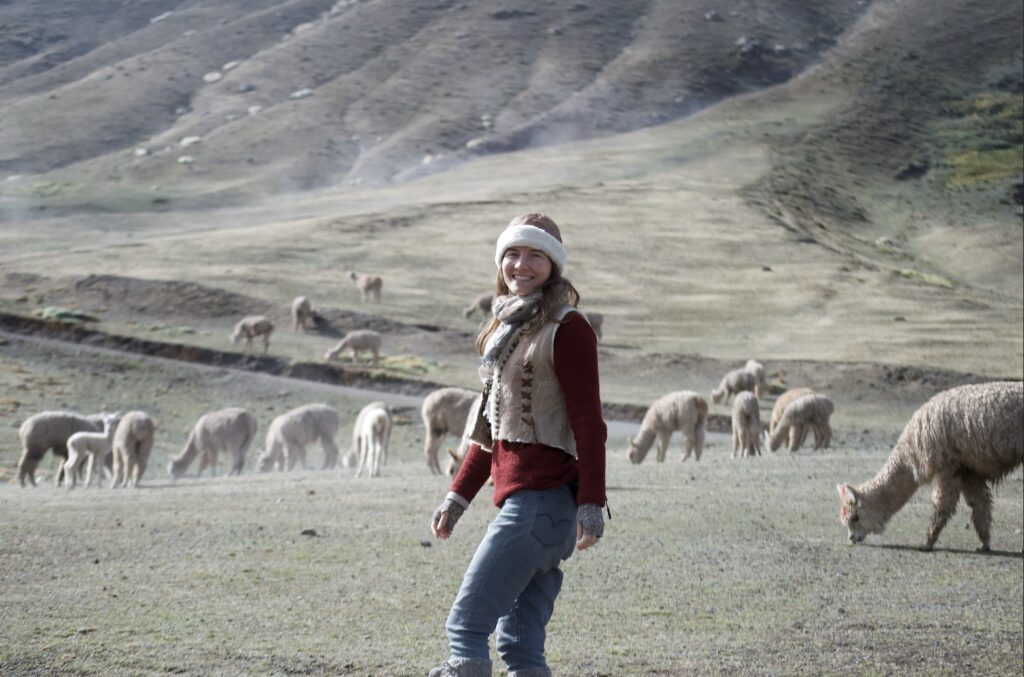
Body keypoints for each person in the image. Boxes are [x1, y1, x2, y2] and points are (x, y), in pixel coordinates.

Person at [429, 213, 608, 677]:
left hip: (539, 506)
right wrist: (456, 498)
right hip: (539, 511)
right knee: (521, 648)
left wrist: (592, 503)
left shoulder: (567, 329)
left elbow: (590, 423)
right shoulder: (505, 331)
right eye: (512, 253)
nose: (520, 265)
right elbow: (491, 433)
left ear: (553, 264)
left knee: (466, 629)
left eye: (535, 255)